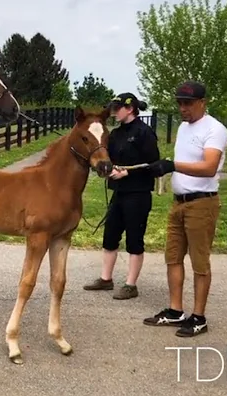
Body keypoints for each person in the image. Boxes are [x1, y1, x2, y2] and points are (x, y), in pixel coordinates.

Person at [142, 80, 227, 337]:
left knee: (200, 262)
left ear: (203, 102)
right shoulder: (183, 128)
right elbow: (183, 161)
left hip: (203, 203)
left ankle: (199, 316)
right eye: (179, 103)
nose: (183, 108)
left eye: (188, 103)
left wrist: (173, 166)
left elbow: (209, 166)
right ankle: (175, 310)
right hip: (179, 203)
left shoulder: (215, 130)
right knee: (173, 257)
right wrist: (167, 170)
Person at [83, 92, 160, 300]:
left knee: (134, 240)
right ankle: (106, 279)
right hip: (119, 193)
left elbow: (153, 164)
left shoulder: (145, 133)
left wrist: (127, 172)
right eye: (114, 108)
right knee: (110, 237)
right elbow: (107, 156)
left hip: (138, 194)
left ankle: (130, 284)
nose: (114, 112)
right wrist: (105, 169)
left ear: (130, 108)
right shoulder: (115, 134)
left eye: (118, 108)